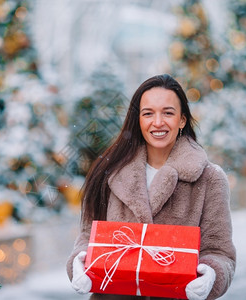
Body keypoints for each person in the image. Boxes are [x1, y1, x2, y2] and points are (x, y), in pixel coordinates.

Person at [66, 74, 236, 300]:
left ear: (182, 120)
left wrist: (211, 274)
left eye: (168, 112)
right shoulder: (109, 173)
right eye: (148, 113)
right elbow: (88, 236)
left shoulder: (209, 179)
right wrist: (80, 261)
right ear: (138, 119)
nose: (157, 122)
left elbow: (220, 252)